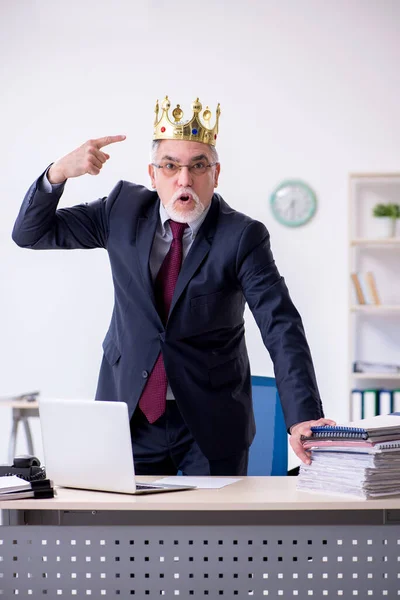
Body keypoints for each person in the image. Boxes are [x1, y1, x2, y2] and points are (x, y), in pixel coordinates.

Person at [12, 96, 334, 476]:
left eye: (198, 166)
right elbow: (30, 234)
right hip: (129, 416)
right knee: (122, 532)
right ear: (153, 175)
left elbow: (280, 325)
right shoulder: (121, 210)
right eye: (170, 166)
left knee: (213, 534)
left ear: (216, 174)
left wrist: (303, 418)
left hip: (211, 422)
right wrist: (58, 172)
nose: (184, 179)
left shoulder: (243, 237)